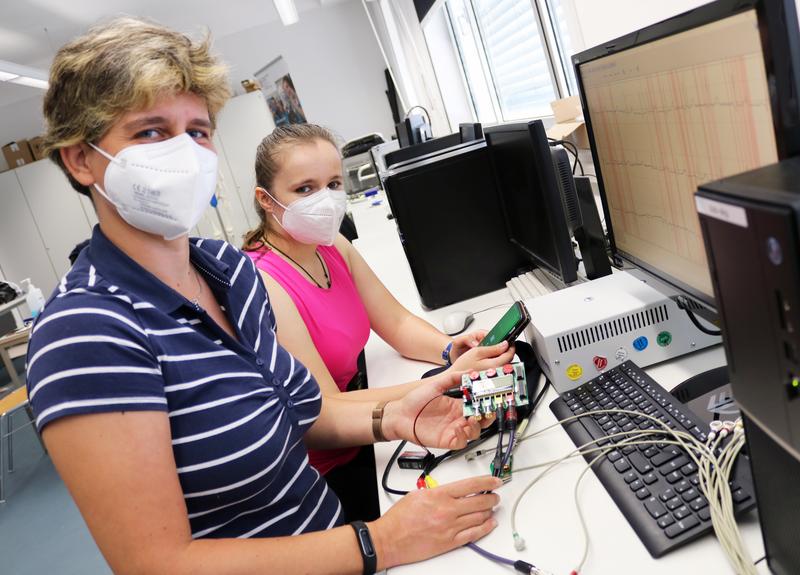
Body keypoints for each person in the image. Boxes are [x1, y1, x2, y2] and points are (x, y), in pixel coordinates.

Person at [26, 17, 503, 575]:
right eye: (151, 131)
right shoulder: (85, 333)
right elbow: (155, 564)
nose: (185, 153)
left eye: (198, 131)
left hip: (334, 540)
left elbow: (305, 413)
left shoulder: (225, 271)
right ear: (80, 159)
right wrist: (381, 542)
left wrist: (396, 418)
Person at [242, 124, 515, 521]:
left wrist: (448, 350)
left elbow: (397, 323)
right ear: (266, 200)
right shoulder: (262, 280)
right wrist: (450, 378)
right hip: (325, 471)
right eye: (305, 189)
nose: (325, 199)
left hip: (369, 432)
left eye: (333, 184)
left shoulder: (332, 246)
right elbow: (325, 406)